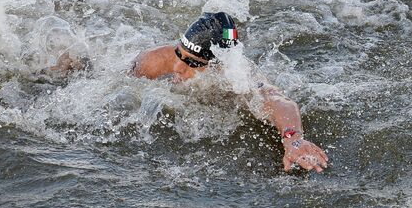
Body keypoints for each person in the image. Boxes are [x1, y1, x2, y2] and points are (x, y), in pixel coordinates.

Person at [130, 12, 329, 173]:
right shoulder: (156, 59)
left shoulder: (238, 77)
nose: (178, 67)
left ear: (217, 65)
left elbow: (278, 100)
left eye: (192, 63)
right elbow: (121, 85)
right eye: (179, 54)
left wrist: (293, 139)